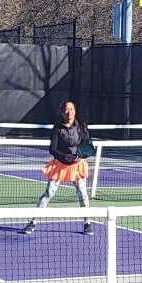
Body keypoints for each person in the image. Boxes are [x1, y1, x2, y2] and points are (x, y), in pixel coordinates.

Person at [21, 100, 93, 235]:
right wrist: (64, 157)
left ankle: (87, 223)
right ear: (62, 112)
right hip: (60, 165)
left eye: (71, 109)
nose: (69, 112)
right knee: (49, 193)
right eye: (66, 109)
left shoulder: (82, 127)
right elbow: (52, 149)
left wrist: (79, 155)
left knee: (82, 194)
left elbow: (88, 146)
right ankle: (32, 222)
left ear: (75, 111)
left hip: (77, 166)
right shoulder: (57, 128)